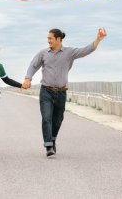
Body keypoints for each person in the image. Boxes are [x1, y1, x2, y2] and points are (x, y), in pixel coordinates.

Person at [23, 28, 106, 157]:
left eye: (50, 38)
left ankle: (53, 139)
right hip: (46, 91)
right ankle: (48, 145)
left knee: (58, 119)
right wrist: (28, 78)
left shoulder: (70, 52)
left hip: (61, 92)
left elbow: (86, 50)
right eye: (48, 38)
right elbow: (33, 65)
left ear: (58, 39)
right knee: (46, 118)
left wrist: (98, 39)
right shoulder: (43, 53)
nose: (48, 40)